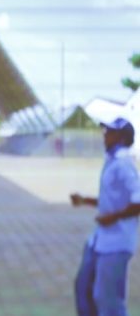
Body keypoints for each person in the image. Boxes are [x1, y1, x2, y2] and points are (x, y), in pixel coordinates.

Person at [70, 117, 140, 316]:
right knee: (83, 288)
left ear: (122, 137)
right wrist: (84, 200)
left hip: (117, 243)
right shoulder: (111, 160)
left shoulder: (124, 164)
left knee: (107, 299)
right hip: (99, 240)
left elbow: (138, 201)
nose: (105, 135)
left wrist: (113, 217)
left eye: (110, 132)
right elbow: (112, 201)